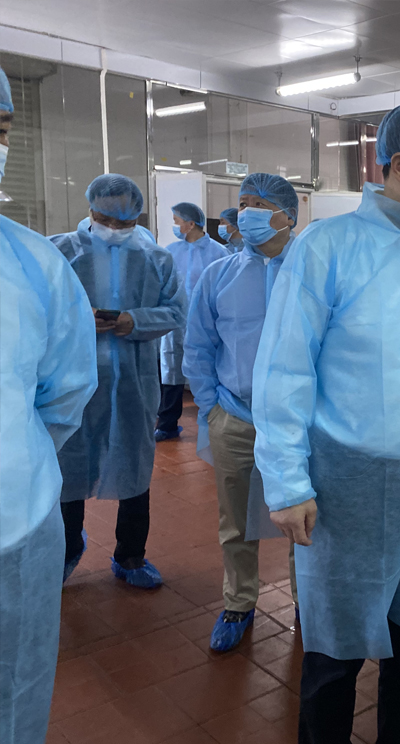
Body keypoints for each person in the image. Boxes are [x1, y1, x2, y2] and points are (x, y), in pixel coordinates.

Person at [251, 101, 400, 744]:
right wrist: (287, 483)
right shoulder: (327, 248)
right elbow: (284, 372)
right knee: (335, 651)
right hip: (348, 486)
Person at [0, 65, 98, 744]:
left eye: (2, 128)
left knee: (14, 699)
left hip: (19, 524)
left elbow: (65, 392)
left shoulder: (34, 266)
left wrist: (17, 460)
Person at [50, 174, 186, 588]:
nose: (115, 228)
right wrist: (78, 320)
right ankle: (65, 549)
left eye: (125, 222)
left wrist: (134, 320)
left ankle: (130, 555)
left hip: (133, 384)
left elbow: (176, 312)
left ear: (137, 218)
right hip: (73, 384)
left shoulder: (156, 258)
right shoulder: (61, 252)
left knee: (135, 469)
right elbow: (40, 310)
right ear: (90, 211)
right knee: (68, 471)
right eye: (106, 219)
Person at [183, 174, 300, 652]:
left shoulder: (311, 272)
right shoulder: (220, 275)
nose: (246, 213)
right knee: (234, 518)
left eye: (259, 204)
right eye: (242, 203)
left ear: (288, 215)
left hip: (300, 423)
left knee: (305, 516)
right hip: (236, 414)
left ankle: (309, 602)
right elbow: (199, 346)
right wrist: (211, 407)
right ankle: (239, 601)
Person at [156, 202, 228, 441]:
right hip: (175, 323)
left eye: (177, 221)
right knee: (171, 371)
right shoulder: (170, 252)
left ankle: (216, 422)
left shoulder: (219, 253)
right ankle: (167, 424)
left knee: (210, 370)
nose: (175, 226)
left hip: (206, 323)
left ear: (191, 223)